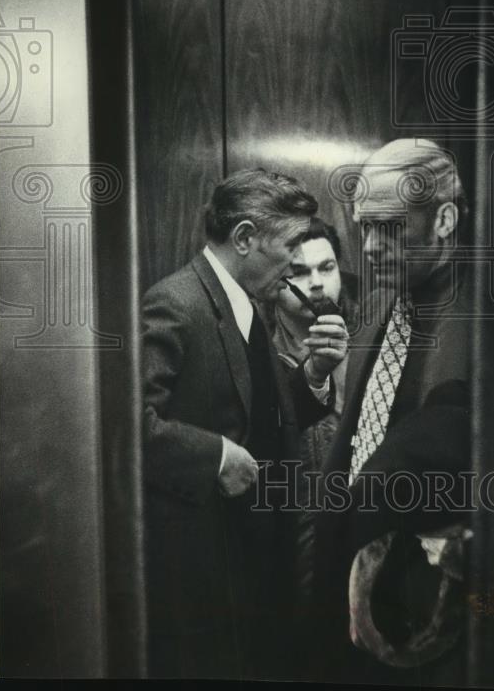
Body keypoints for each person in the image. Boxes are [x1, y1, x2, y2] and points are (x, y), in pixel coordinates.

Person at [141, 168, 348, 680]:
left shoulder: (246, 306)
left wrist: (315, 376)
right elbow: (125, 426)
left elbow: (266, 420)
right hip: (210, 569)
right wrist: (214, 456)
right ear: (245, 238)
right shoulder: (176, 302)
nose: (295, 260)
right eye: (290, 244)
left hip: (257, 565)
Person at [310, 139, 473, 685]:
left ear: (444, 220)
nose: (372, 247)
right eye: (365, 227)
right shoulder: (381, 300)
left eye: (391, 227)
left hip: (429, 620)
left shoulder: (488, 322)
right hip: (350, 602)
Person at [265, 217, 359, 609]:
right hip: (288, 545)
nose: (317, 283)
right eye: (299, 272)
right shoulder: (257, 356)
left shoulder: (373, 338)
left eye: (327, 267)